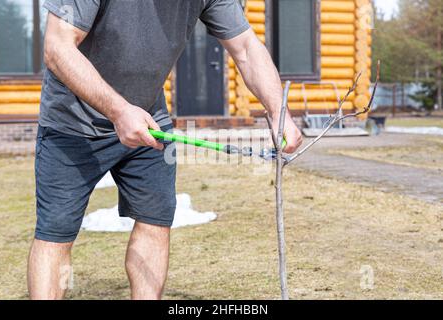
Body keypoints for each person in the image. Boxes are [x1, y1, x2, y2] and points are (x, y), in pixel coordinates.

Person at [28, 0, 303, 300]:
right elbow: (57, 47)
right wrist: (119, 111)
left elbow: (246, 47)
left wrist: (278, 111)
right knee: (55, 234)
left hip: (148, 120)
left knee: (154, 222)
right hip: (71, 124)